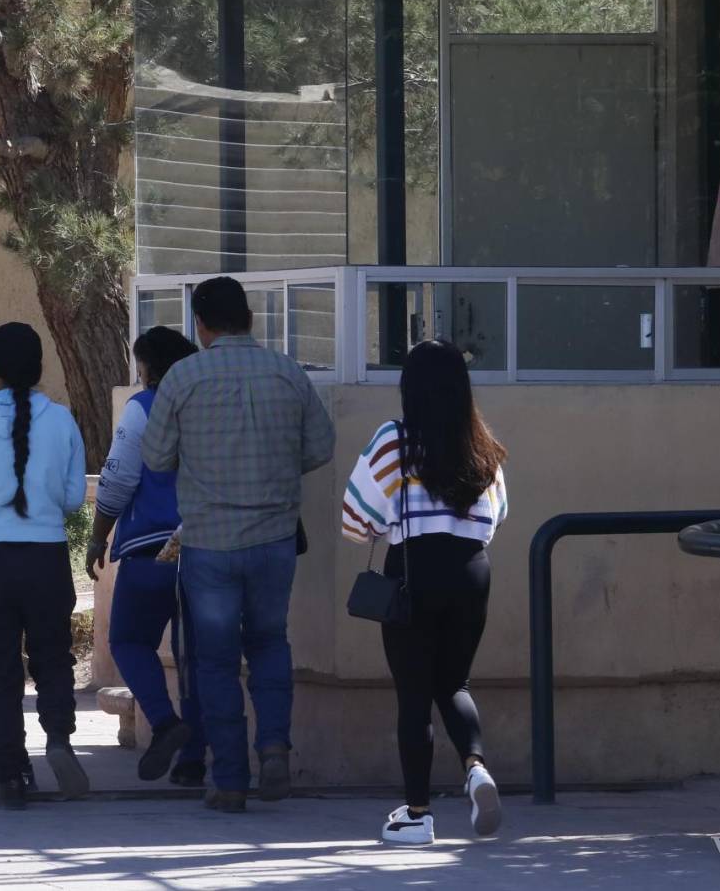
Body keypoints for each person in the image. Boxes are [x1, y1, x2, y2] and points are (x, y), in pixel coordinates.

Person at [142, 277, 335, 814]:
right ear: (249, 318)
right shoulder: (287, 372)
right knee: (270, 642)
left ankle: (229, 779)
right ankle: (273, 746)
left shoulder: (183, 377)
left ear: (200, 325)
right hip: (274, 539)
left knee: (215, 661)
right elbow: (321, 446)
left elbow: (156, 458)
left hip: (209, 544)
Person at [341, 339, 507, 846]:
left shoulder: (394, 440)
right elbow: (497, 514)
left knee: (414, 695)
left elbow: (355, 519)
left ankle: (417, 815)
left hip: (414, 573)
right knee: (454, 683)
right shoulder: (482, 444)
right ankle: (475, 767)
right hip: (472, 571)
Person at [0, 322, 88, 810]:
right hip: (46, 557)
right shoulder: (62, 420)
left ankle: (7, 775)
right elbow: (73, 498)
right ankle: (60, 738)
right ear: (39, 367)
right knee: (53, 656)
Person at [86, 326, 207, 786]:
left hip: (150, 551)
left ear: (150, 368)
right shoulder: (210, 406)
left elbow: (117, 480)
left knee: (129, 641)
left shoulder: (143, 407)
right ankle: (194, 759)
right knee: (198, 657)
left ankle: (163, 721)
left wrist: (98, 537)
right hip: (208, 545)